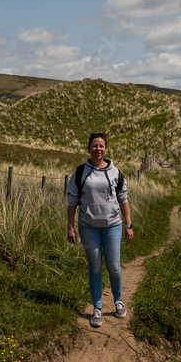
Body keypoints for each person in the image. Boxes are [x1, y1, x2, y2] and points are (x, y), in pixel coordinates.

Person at [66, 132, 134, 327]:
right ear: (89, 149)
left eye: (101, 146)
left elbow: (123, 199)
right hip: (88, 227)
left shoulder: (115, 172)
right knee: (94, 268)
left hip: (113, 225)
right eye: (94, 145)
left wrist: (128, 225)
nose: (98, 149)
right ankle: (97, 308)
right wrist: (70, 227)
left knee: (113, 266)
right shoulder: (80, 172)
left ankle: (118, 301)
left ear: (106, 149)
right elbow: (72, 202)